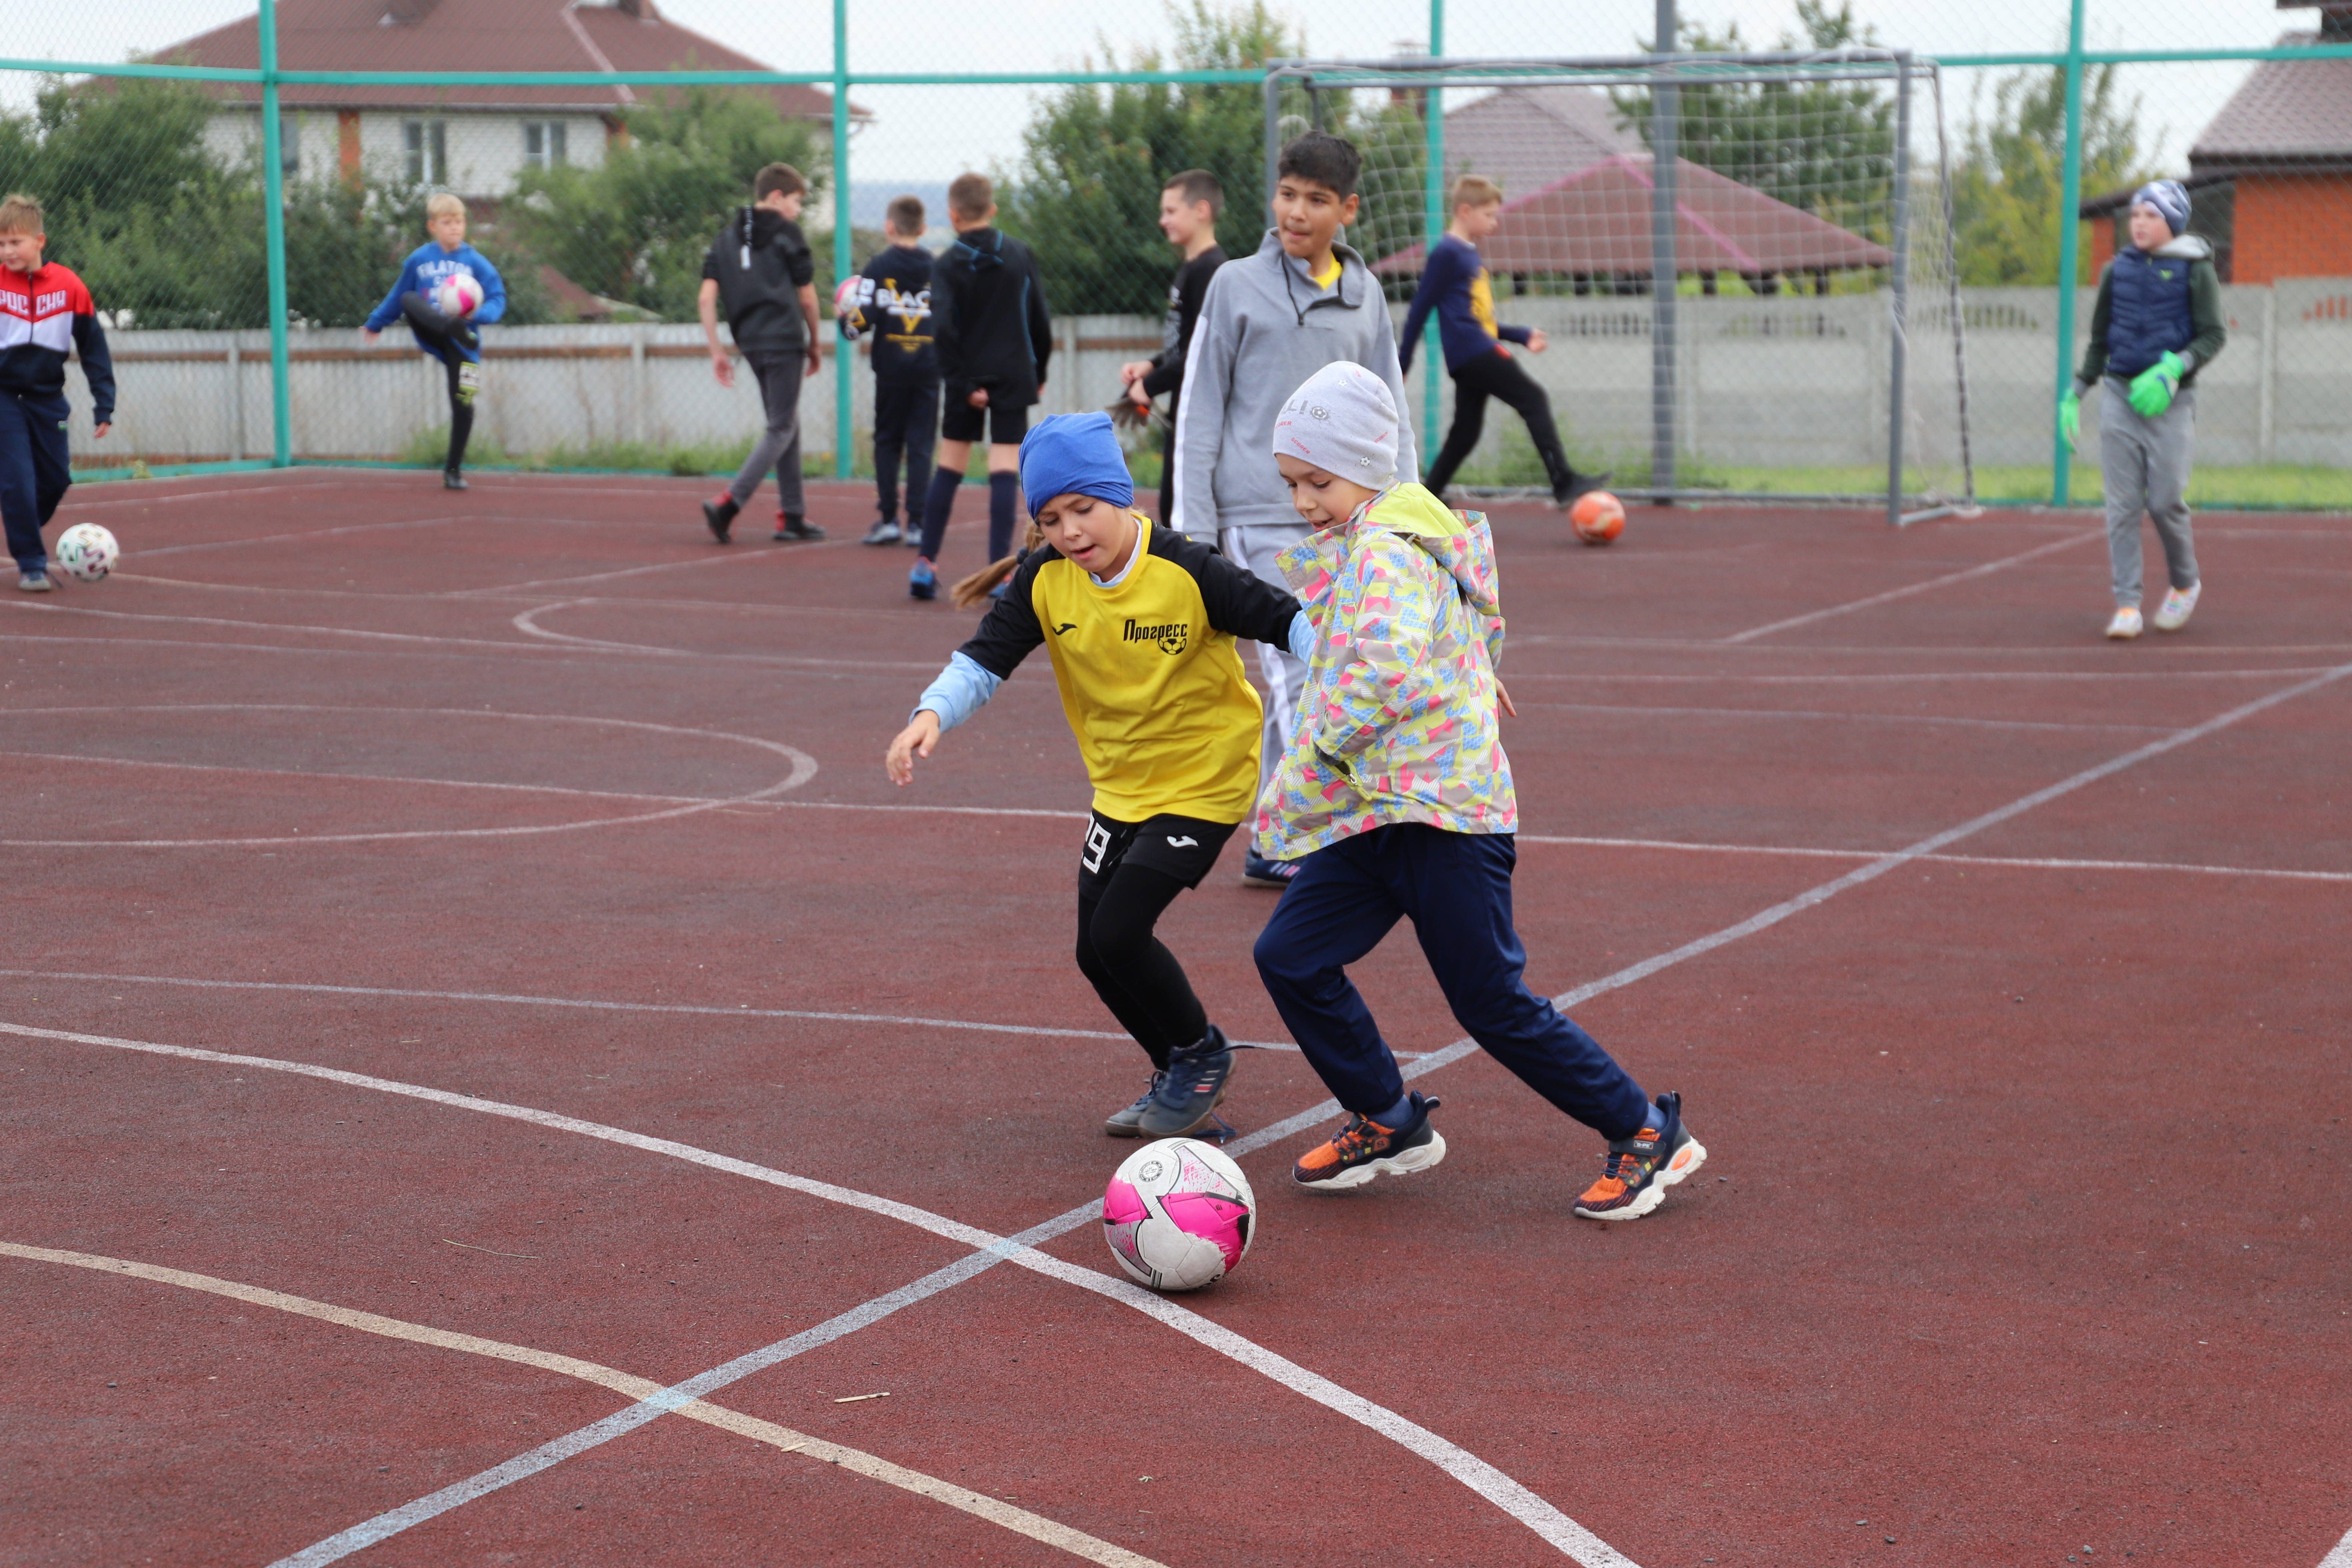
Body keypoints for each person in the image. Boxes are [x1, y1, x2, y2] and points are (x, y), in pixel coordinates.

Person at [1250, 361, 1704, 1222]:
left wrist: (1297, 775)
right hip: (1378, 810)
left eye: (1319, 479)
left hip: (1443, 818)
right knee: (1291, 955)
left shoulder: (1386, 549)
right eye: (1291, 483)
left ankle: (1645, 1132)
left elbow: (1372, 677)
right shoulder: (1393, 538)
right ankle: (1387, 1118)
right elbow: (1468, 622)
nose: (1305, 500)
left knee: (1490, 1001)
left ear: (1369, 468)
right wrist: (1472, 673)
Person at [885, 412, 1316, 1139]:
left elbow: (1291, 621)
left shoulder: (1188, 569)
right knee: (1095, 952)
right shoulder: (1046, 580)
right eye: (1052, 519)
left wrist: (1370, 662)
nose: (1071, 532)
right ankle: (1181, 1071)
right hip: (1121, 785)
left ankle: (1203, 1059)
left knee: (1121, 931)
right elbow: (983, 660)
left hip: (1205, 779)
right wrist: (929, 716)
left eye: (1083, 510)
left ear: (1120, 495)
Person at [1171, 132, 1417, 888]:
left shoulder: (1366, 294)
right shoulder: (1234, 286)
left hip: (1349, 521)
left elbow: (1391, 412)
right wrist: (1194, 534)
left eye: (1316, 199)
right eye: (1287, 194)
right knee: (1296, 674)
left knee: (1342, 674)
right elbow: (1199, 408)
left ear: (1346, 209)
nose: (1296, 212)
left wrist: (1407, 515)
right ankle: (1285, 833)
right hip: (1256, 515)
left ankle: (1306, 824)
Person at [2059, 178, 2224, 641]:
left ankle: (2185, 583)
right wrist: (2076, 392)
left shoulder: (2197, 270)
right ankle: (2127, 604)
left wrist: (2175, 367)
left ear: (2171, 221)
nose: (2140, 222)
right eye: (2135, 215)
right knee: (2122, 506)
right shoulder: (2117, 271)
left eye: (2151, 215)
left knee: (2165, 501)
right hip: (2119, 397)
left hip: (2172, 403)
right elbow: (2100, 340)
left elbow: (2214, 335)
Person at [1401, 174, 1606, 508]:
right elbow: (1420, 307)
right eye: (1489, 215)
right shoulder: (1447, 253)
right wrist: (1404, 360)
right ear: (1465, 211)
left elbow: (1482, 321)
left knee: (1465, 432)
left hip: (1472, 351)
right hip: (1474, 352)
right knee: (1534, 398)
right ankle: (1564, 481)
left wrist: (1521, 335)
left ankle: (1426, 501)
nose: (1494, 223)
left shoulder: (1467, 253)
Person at [911, 173, 1052, 602]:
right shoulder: (1019, 254)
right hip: (1013, 372)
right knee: (1004, 468)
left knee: (950, 465)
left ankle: (925, 563)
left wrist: (962, 382)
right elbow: (1039, 320)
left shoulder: (945, 263)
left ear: (953, 215)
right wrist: (1039, 370)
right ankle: (999, 574)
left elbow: (943, 329)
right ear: (992, 209)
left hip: (964, 374)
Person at [698, 163, 824, 544]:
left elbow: (706, 298)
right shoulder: (789, 233)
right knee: (781, 426)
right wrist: (815, 341)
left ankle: (792, 515)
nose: (799, 210)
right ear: (776, 197)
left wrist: (717, 350)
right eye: (797, 201)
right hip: (785, 340)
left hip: (749, 342)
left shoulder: (723, 239)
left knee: (785, 422)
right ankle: (728, 502)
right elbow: (807, 296)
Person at [0, 192, 113, 593]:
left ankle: (20, 517)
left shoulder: (69, 287)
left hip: (48, 399)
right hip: (4, 398)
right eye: (1, 243)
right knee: (16, 479)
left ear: (39, 242)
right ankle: (32, 562)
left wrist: (105, 404)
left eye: (15, 242)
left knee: (55, 480)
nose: (7, 250)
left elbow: (94, 348)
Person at [363, 192, 506, 492]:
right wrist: (376, 322)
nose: (455, 228)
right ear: (433, 226)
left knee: (464, 403)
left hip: (464, 342)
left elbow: (497, 297)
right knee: (409, 298)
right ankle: (448, 325)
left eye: (460, 222)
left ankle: (453, 471)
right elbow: (397, 296)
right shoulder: (419, 260)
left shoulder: (475, 262)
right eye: (447, 222)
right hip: (435, 331)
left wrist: (481, 316)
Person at [1117, 170, 1227, 525]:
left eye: (1171, 211)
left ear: (1202, 211)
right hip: (1184, 404)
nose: (1163, 221)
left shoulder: (1211, 270)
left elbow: (1204, 351)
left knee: (1182, 510)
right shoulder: (1192, 267)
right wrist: (1151, 366)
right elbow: (1185, 343)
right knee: (1172, 506)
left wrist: (1148, 387)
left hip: (1200, 411)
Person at [842, 194, 939, 548]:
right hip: (929, 368)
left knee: (887, 442)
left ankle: (887, 520)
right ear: (924, 229)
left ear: (889, 227)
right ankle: (917, 523)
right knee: (921, 445)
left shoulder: (878, 267)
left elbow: (858, 323)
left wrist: (844, 318)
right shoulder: (937, 267)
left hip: (892, 370)